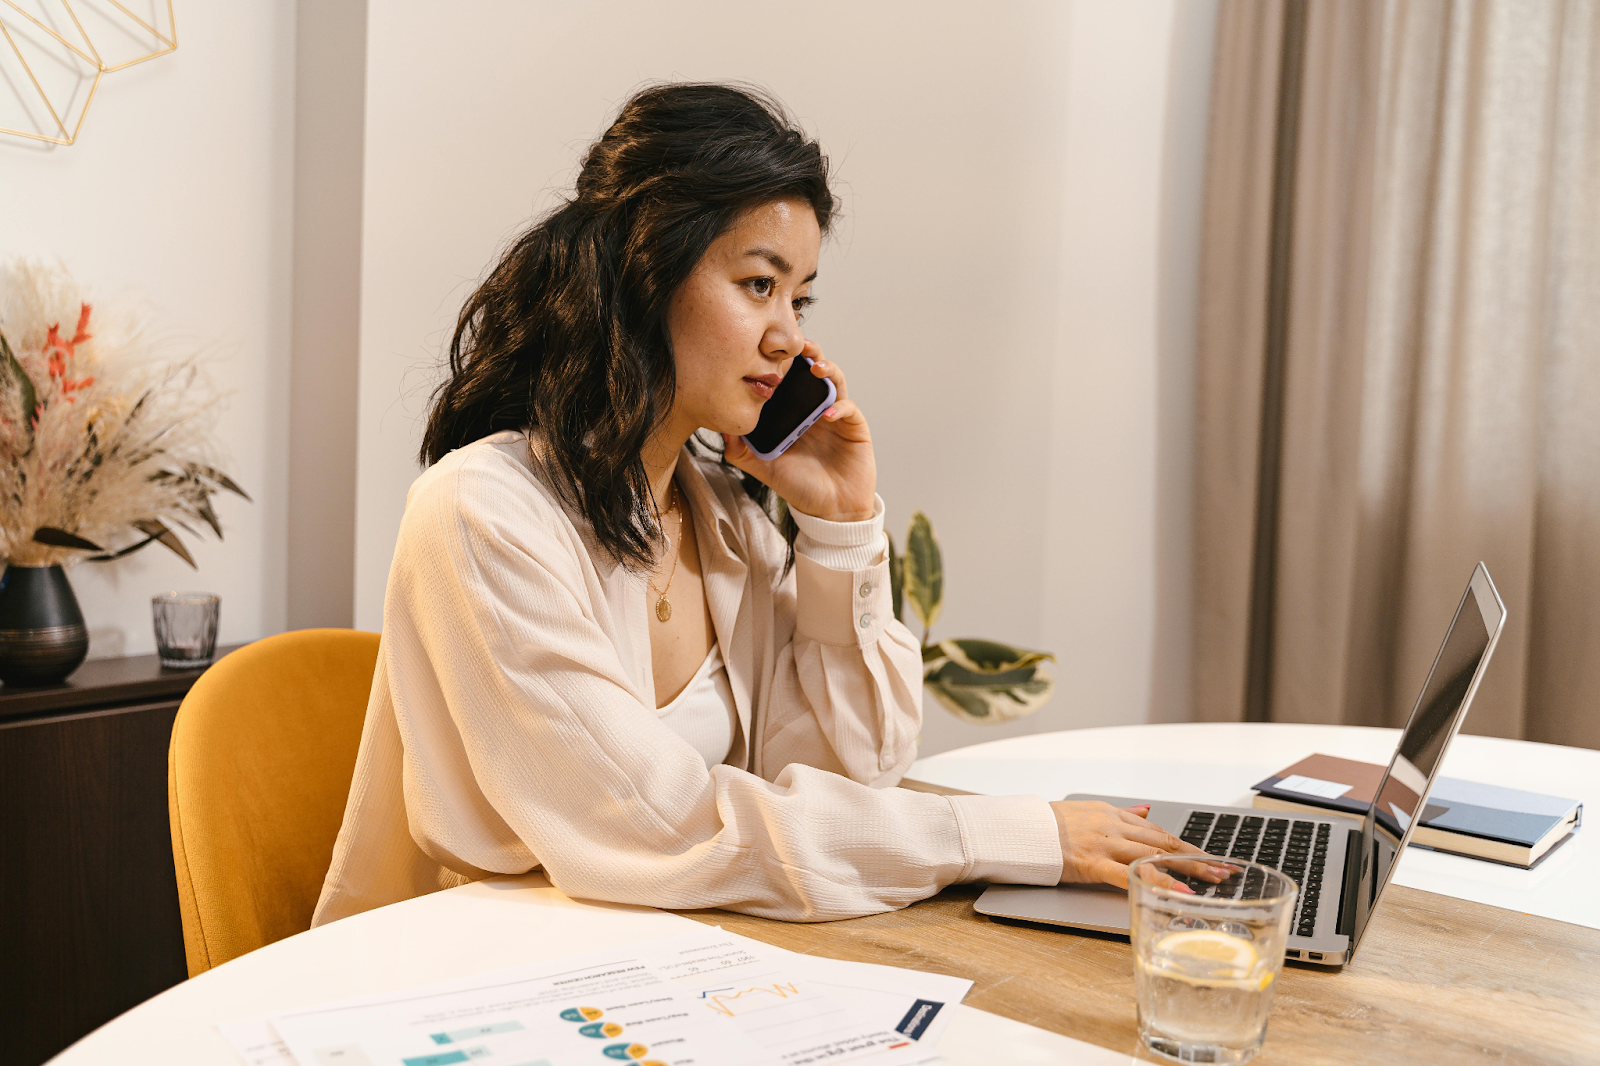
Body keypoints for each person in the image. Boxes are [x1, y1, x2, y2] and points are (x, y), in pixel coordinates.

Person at [312, 82, 1218, 927]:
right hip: (481, 974)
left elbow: (855, 771)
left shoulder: (725, 520)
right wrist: (1013, 837)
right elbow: (660, 826)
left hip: (670, 961)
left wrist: (839, 526)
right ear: (643, 275)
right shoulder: (481, 516)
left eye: (800, 294)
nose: (789, 335)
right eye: (758, 284)